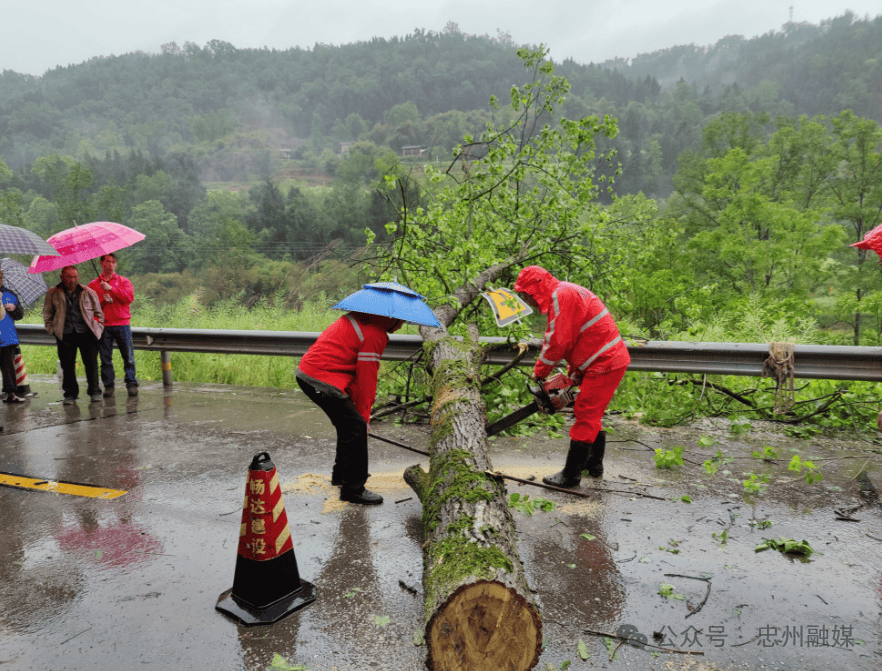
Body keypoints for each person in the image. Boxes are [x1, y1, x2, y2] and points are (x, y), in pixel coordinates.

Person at [514, 265, 630, 487]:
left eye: (527, 295)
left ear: (535, 288)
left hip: (604, 362)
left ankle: (570, 476)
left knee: (585, 413)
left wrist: (539, 373)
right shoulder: (565, 292)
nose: (528, 300)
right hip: (601, 360)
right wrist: (574, 374)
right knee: (590, 413)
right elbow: (575, 337)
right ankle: (593, 464)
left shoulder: (561, 295)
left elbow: (558, 342)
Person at [295, 311, 404, 505]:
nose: (402, 325)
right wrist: (365, 418)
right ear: (391, 317)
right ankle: (353, 490)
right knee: (356, 428)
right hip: (322, 378)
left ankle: (340, 477)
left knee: (348, 426)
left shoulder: (359, 318)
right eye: (401, 320)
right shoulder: (374, 334)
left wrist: (356, 409)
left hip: (310, 373)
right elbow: (365, 381)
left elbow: (354, 373)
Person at [43, 266, 104, 404]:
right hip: (65, 334)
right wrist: (53, 330)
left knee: (91, 364)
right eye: (69, 277)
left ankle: (95, 392)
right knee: (67, 365)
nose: (72, 280)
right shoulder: (53, 293)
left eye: (75, 277)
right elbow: (47, 314)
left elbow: (99, 313)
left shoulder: (88, 292)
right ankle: (70, 394)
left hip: (87, 333)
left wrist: (98, 328)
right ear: (62, 277)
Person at [88, 253, 139, 397]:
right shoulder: (93, 285)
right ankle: (109, 386)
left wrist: (111, 288)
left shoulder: (124, 281)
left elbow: (129, 298)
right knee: (105, 359)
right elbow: (91, 307)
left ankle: (131, 383)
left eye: (113, 262)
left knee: (128, 357)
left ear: (116, 264)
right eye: (107, 261)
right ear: (101, 264)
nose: (110, 264)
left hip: (122, 323)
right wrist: (104, 301)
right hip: (104, 325)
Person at [0, 271, 26, 403]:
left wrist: (14, 308)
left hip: (7, 336)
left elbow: (20, 314)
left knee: (8, 367)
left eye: (0, 277)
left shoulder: (10, 294)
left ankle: (10, 394)